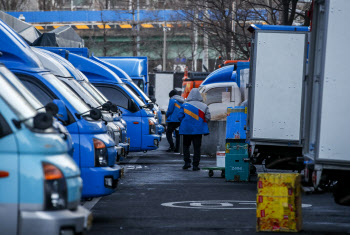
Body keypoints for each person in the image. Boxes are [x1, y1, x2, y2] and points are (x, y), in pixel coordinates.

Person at [178, 88, 211, 171]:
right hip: (198, 130)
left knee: (186, 146)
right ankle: (195, 165)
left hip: (186, 130)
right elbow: (208, 118)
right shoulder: (204, 106)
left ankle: (187, 163)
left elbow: (180, 117)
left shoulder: (185, 105)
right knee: (197, 148)